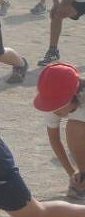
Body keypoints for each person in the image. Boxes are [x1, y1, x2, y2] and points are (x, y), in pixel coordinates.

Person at [34, 62, 85, 200]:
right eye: (50, 104)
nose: (53, 109)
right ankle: (83, 176)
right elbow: (54, 139)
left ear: (75, 95)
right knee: (74, 128)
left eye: (58, 104)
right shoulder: (51, 104)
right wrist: (72, 173)